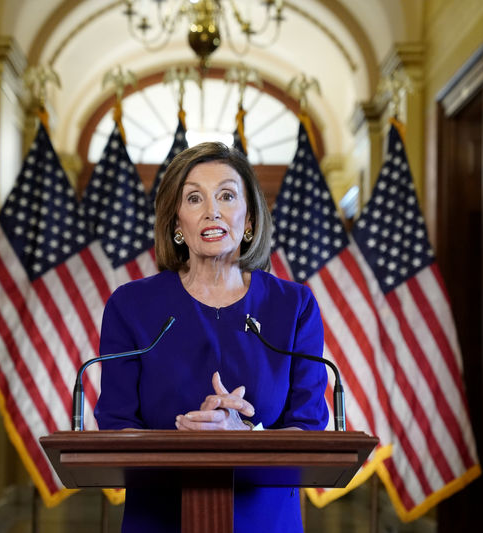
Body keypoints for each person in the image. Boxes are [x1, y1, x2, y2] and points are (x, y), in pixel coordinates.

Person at [94, 142, 328, 532]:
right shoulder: (130, 306)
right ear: (176, 223)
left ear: (249, 219)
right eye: (194, 198)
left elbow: (308, 427)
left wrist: (246, 437)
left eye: (226, 195)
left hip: (265, 520)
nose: (212, 211)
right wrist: (183, 442)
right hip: (158, 518)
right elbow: (116, 425)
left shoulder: (294, 306)